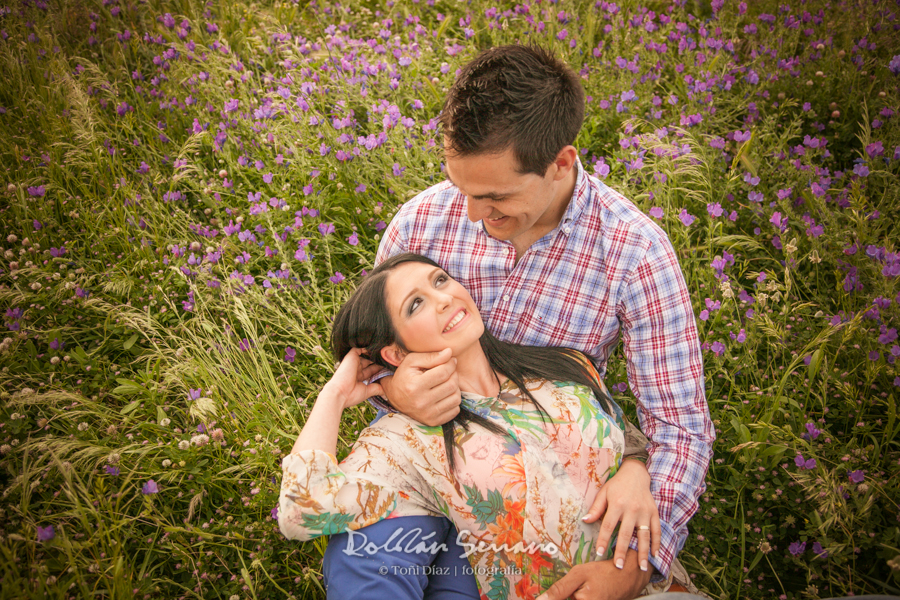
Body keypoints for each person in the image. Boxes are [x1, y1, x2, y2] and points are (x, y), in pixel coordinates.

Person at [324, 44, 715, 600]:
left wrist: (639, 557)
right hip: (426, 459)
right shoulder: (421, 220)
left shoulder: (635, 252)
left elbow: (681, 426)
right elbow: (371, 347)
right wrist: (393, 389)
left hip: (553, 474)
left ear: (561, 162)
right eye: (463, 189)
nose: (472, 215)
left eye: (495, 197)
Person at [280, 254, 664, 600]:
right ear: (395, 353)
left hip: (661, 586)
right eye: (416, 304)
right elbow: (299, 510)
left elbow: (627, 440)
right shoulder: (403, 442)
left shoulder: (564, 366)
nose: (443, 298)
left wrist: (635, 468)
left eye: (441, 280)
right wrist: (335, 393)